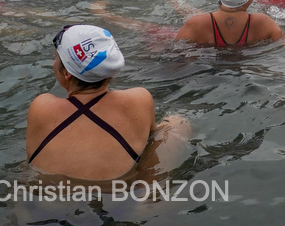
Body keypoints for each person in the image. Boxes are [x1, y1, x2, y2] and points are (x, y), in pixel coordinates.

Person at [26, 25, 189, 179]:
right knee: (177, 122)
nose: (53, 64)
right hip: (121, 195)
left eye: (56, 58)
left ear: (66, 73)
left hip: (49, 194)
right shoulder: (139, 99)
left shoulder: (41, 106)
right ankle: (150, 194)